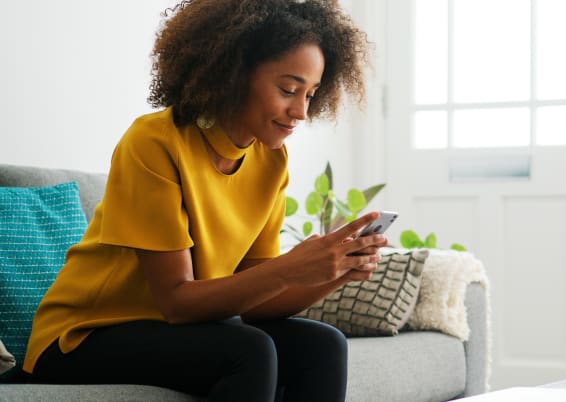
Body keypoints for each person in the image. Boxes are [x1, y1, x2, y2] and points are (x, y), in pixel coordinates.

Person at [23, 1, 383, 401]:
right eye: (288, 89)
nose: (300, 111)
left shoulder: (270, 160)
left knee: (323, 344)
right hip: (83, 335)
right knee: (249, 350)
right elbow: (177, 301)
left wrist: (333, 273)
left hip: (173, 330)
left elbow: (258, 302)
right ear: (235, 73)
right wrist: (291, 267)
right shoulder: (155, 142)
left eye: (311, 94)